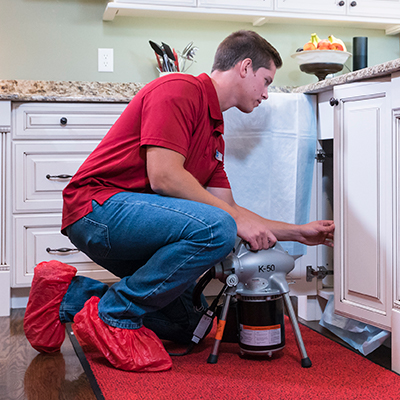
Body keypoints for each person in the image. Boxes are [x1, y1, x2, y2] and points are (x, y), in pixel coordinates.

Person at [23, 30, 334, 372]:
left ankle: (63, 295)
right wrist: (232, 221)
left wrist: (299, 232)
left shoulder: (215, 134)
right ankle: (115, 315)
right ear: (245, 67)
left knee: (190, 325)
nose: (266, 94)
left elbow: (228, 208)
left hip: (132, 223)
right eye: (266, 81)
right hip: (97, 210)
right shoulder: (178, 89)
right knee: (219, 227)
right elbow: (165, 176)